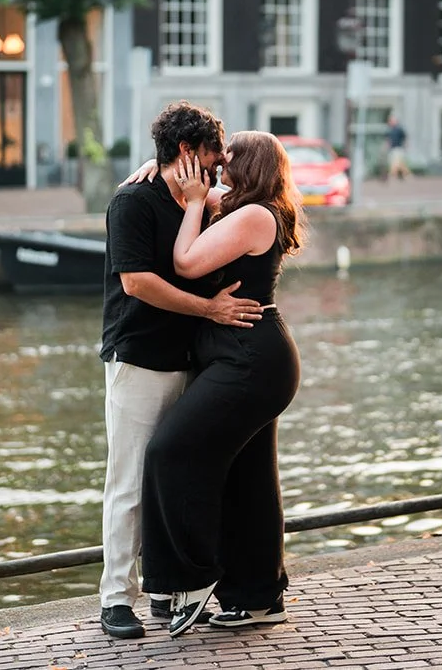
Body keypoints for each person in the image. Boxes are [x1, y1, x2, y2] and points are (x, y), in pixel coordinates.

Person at [97, 102, 264, 641]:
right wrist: (211, 310)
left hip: (193, 361)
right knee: (129, 483)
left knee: (174, 479)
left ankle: (165, 592)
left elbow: (240, 200)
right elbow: (137, 283)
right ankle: (115, 599)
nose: (219, 169)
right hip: (141, 359)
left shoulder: (201, 201)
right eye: (214, 158)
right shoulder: (132, 202)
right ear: (188, 153)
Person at [140, 131, 305, 638]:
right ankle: (257, 597)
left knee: (170, 451)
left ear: (249, 164)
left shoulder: (256, 216)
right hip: (243, 359)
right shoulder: (241, 205)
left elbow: (185, 262)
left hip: (252, 362)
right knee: (249, 481)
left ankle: (190, 579)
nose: (218, 160)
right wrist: (156, 165)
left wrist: (192, 203)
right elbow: (193, 186)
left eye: (228, 155)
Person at [385, 114, 410, 181]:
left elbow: (405, 138)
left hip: (398, 148)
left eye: (392, 120)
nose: (391, 122)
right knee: (398, 163)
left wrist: (406, 146)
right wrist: (387, 147)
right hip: (392, 149)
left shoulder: (399, 129)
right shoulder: (389, 130)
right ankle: (405, 174)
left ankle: (393, 175)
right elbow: (388, 140)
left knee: (396, 162)